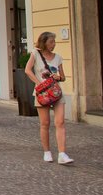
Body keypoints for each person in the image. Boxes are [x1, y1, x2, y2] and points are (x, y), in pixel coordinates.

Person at [24, 31, 72, 165]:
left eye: (54, 42)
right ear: (44, 42)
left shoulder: (58, 58)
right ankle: (47, 152)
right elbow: (27, 70)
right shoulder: (35, 54)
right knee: (45, 123)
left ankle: (62, 154)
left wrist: (59, 77)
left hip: (56, 92)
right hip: (42, 93)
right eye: (51, 42)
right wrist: (39, 83)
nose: (53, 45)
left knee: (60, 122)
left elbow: (63, 77)